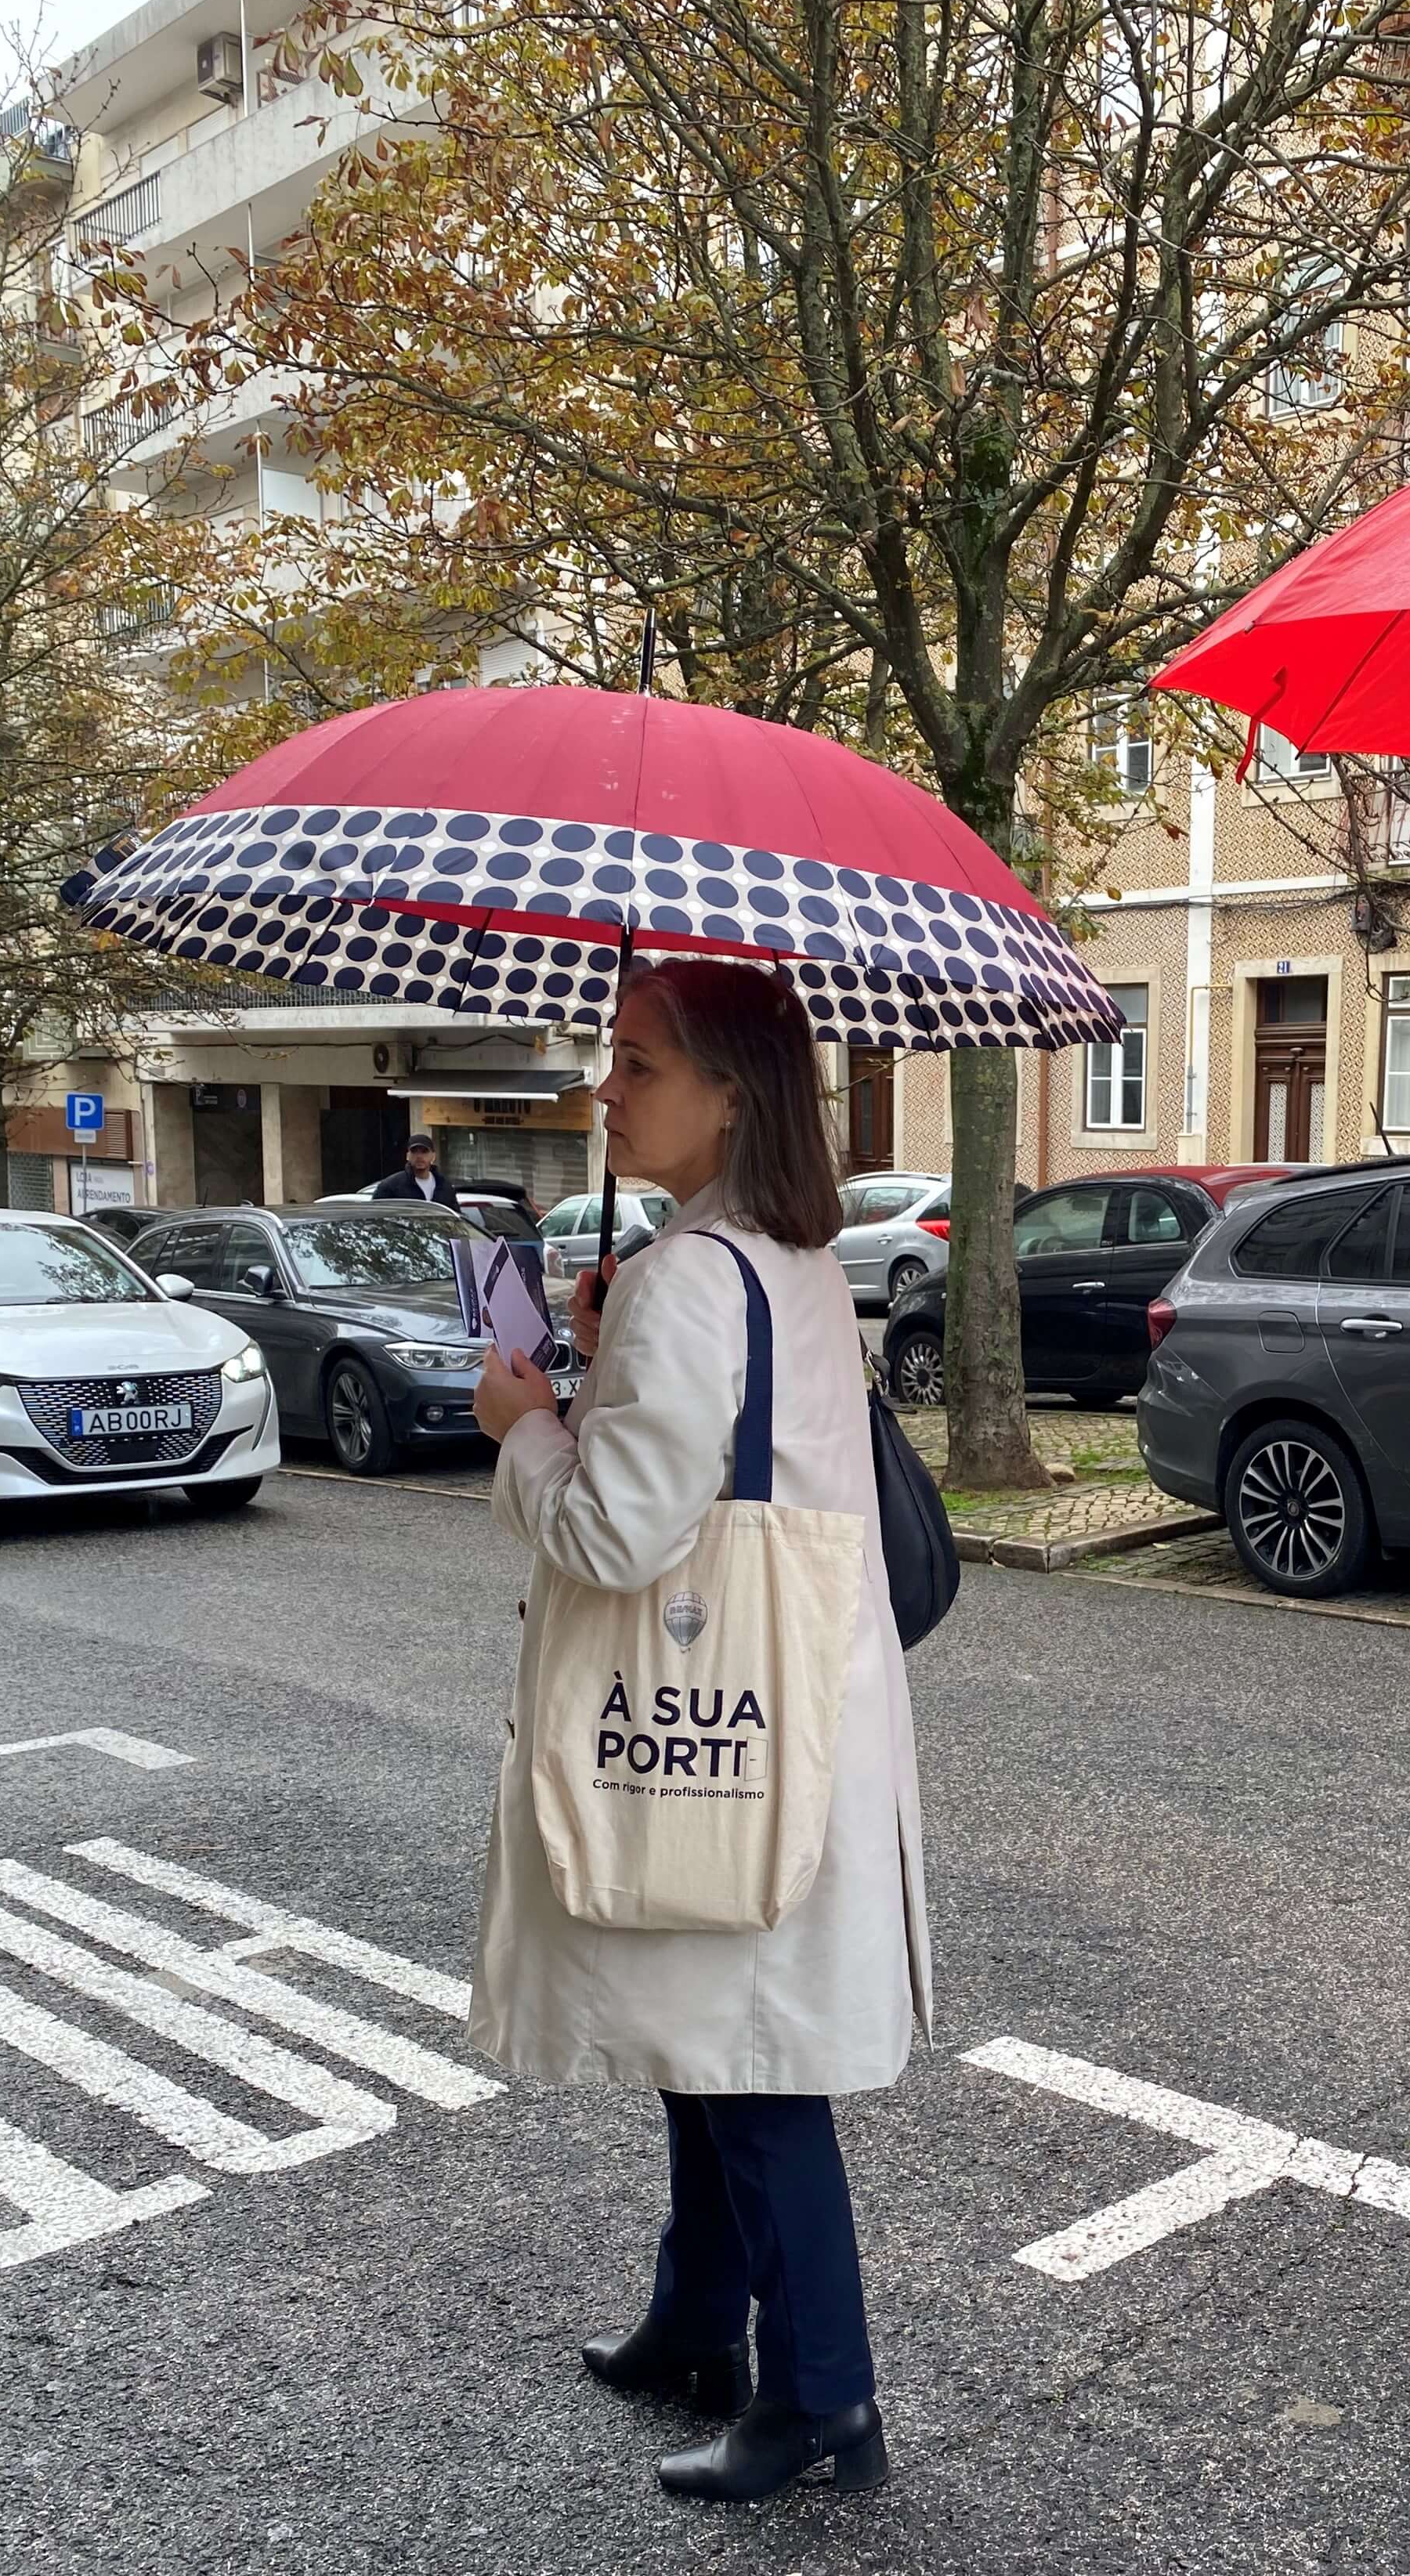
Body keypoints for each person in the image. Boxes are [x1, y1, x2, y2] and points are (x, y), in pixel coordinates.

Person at [470, 955, 931, 2504]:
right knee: (713, 2032)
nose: (608, 1086)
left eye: (641, 1061)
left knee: (750, 2062)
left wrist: (527, 1421)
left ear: (732, 1093)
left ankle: (824, 2398)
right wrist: (613, 1348)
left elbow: (613, 1536)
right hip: (787, 1702)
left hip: (709, 1709)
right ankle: (696, 2317)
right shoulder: (778, 1255)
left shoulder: (695, 1273)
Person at [372, 1134, 456, 1204]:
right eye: (414, 1152)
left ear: (433, 1156)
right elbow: (376, 1215)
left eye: (424, 1151)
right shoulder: (391, 1186)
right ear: (408, 1156)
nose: (419, 1156)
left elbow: (456, 1218)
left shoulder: (445, 1186)